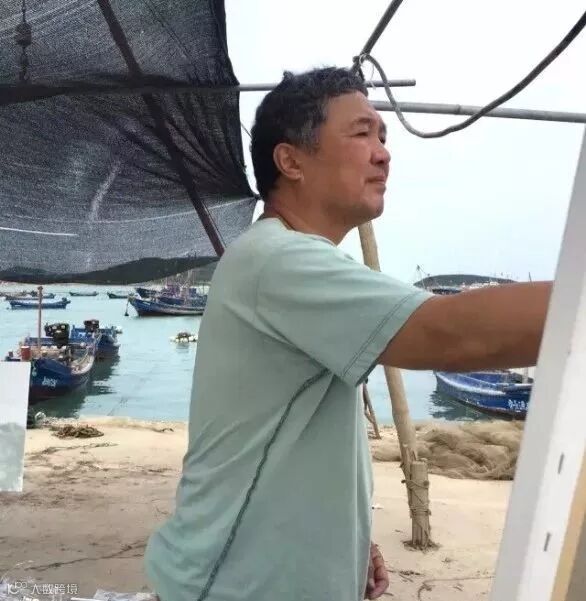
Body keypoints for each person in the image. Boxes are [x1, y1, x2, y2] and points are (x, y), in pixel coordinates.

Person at [144, 67, 551, 601]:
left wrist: (346, 539)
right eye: (362, 133)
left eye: (383, 136)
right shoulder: (278, 261)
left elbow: (294, 440)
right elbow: (451, 333)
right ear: (291, 161)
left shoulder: (284, 259)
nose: (383, 153)